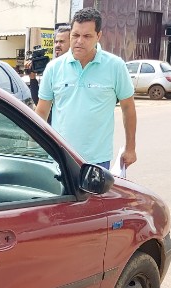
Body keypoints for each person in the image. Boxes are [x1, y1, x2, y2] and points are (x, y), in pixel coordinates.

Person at [35, 8, 137, 171]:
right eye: (75, 35)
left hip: (97, 160)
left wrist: (130, 148)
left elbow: (128, 107)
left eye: (87, 36)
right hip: (59, 157)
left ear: (98, 36)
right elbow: (41, 112)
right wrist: (36, 146)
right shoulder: (54, 68)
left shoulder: (115, 66)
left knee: (94, 198)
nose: (79, 41)